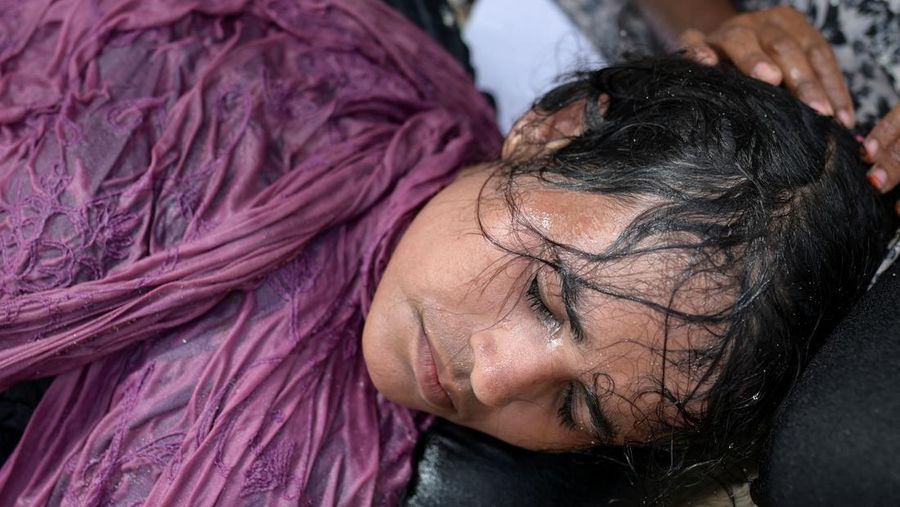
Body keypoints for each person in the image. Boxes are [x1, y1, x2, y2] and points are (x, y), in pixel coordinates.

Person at [0, 0, 891, 505]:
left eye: (576, 405)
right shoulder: (182, 73)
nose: (492, 380)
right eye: (546, 295)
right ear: (552, 131)